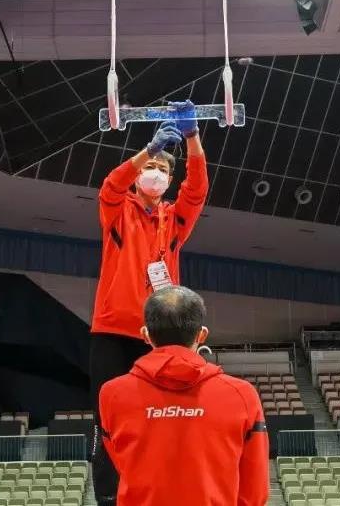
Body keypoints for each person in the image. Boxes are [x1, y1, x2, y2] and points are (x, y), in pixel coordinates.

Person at [90, 100, 209, 504]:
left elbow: (198, 190)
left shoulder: (175, 220)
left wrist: (192, 137)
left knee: (160, 417)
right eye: (150, 167)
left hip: (159, 336)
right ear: (139, 174)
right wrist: (147, 150)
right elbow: (111, 184)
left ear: (169, 180)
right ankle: (109, 498)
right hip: (111, 330)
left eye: (161, 169)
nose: (154, 172)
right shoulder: (116, 210)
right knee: (107, 420)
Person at [98, 287, 269, 506]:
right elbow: (254, 489)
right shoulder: (242, 395)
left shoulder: (112, 394)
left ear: (145, 334)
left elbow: (120, 463)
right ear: (202, 334)